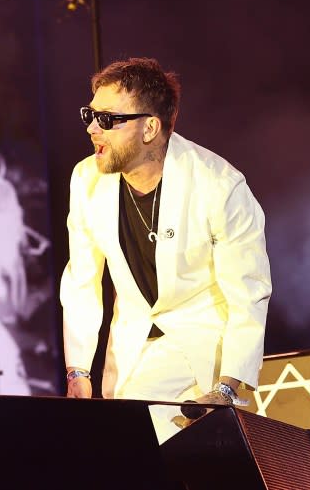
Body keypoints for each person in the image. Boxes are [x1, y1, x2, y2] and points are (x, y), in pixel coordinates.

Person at [60, 57, 271, 443]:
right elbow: (81, 280)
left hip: (202, 356)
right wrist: (78, 372)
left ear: (150, 127)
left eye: (107, 119)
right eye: (90, 115)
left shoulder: (218, 185)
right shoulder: (86, 179)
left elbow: (249, 293)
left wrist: (227, 387)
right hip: (130, 355)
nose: (92, 129)